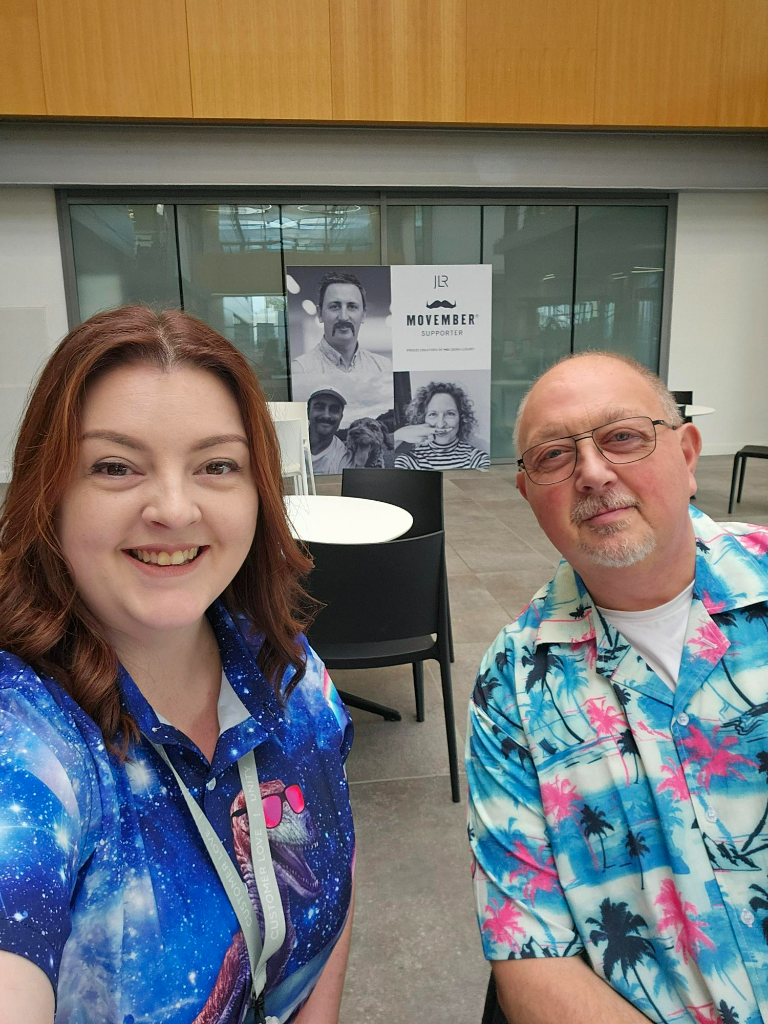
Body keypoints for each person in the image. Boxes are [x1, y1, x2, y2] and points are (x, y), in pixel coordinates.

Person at [0, 306, 355, 1024]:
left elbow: (331, 864)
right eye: (115, 466)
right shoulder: (27, 743)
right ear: (49, 492)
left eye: (216, 465)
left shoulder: (289, 670)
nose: (172, 508)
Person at [466, 351, 768, 1024]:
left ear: (687, 454)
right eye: (554, 455)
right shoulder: (513, 683)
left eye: (623, 437)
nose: (593, 472)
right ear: (528, 496)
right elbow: (532, 962)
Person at [291, 272, 393, 426]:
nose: (344, 316)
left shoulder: (384, 366)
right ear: (320, 314)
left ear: (363, 315)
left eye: (352, 307)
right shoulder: (299, 370)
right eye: (334, 306)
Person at [394, 382, 490, 470]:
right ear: (423, 419)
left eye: (450, 414)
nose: (441, 424)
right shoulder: (407, 461)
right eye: (433, 414)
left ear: (461, 417)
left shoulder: (478, 459)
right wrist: (399, 434)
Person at [307, 388, 353, 476]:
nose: (326, 415)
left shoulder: (344, 457)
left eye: (334, 410)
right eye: (319, 408)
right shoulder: (287, 444)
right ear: (308, 412)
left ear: (341, 417)